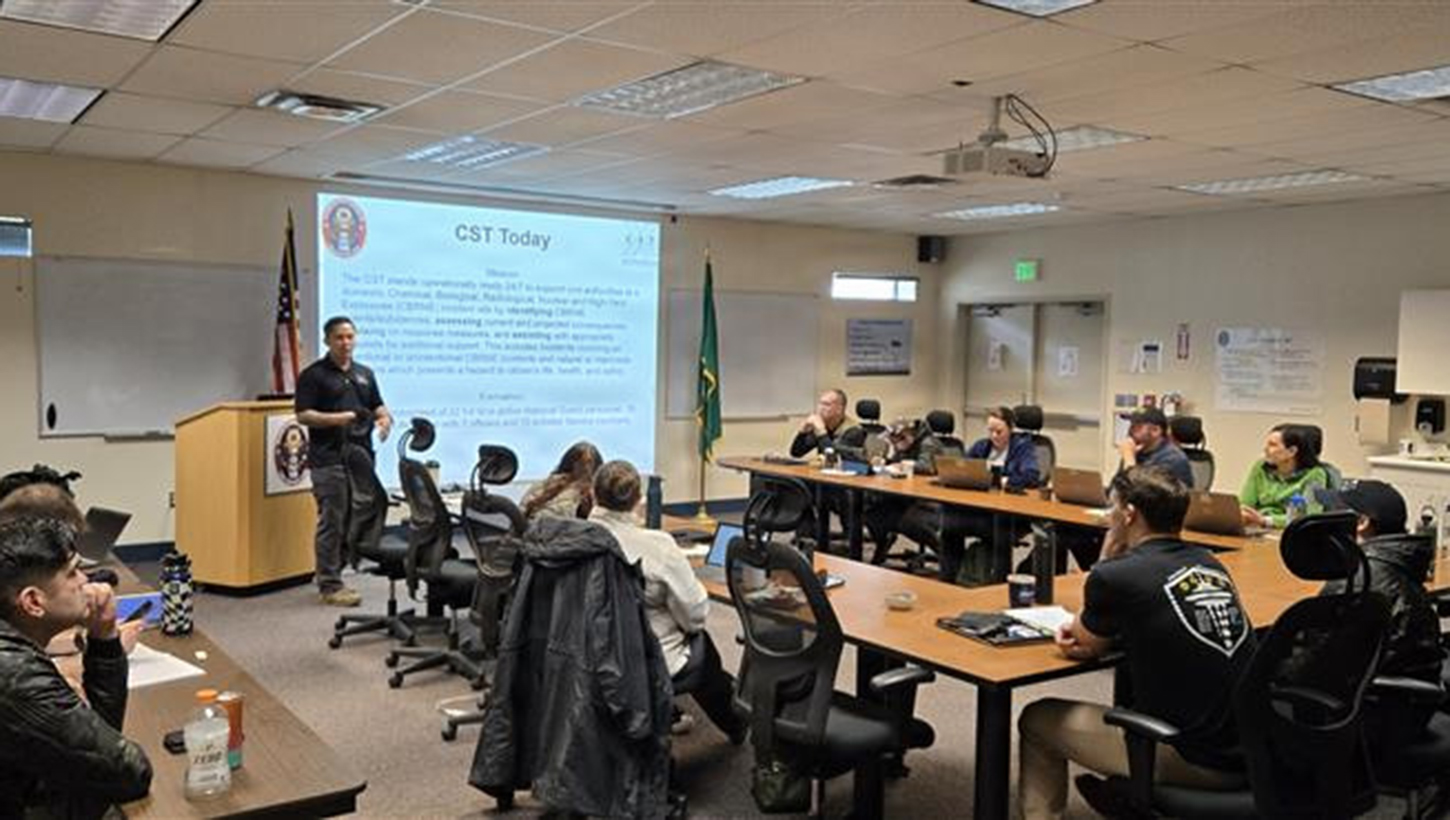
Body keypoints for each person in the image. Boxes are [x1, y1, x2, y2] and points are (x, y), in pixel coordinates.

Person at [1018, 467, 1252, 820]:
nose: (1108, 516)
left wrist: (1107, 555)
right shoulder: (1209, 562)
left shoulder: (1116, 575)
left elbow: (1084, 641)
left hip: (1194, 757)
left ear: (1128, 514)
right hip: (1249, 748)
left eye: (1112, 508)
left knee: (1037, 719)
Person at [0, 517, 153, 818]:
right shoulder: (15, 676)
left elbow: (97, 757)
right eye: (73, 572)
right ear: (33, 601)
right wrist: (106, 638)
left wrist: (103, 636)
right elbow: (126, 772)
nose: (87, 580)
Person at [588, 460, 746, 744]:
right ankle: (736, 725)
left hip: (588, 655)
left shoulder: (575, 538)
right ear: (640, 500)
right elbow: (695, 616)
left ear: (592, 495)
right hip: (645, 660)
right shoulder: (658, 546)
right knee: (702, 646)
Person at [1319, 480, 1443, 742]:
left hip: (1371, 715)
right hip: (1408, 707)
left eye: (1334, 512)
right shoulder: (1398, 562)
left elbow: (1315, 662)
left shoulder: (1357, 578)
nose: (1323, 519)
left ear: (1361, 523)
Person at [295, 316, 393, 607]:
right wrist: (341, 418)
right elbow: (303, 415)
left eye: (350, 337)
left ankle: (339, 571)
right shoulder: (314, 375)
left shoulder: (365, 373)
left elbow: (377, 405)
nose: (346, 342)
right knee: (333, 521)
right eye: (339, 337)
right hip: (329, 459)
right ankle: (329, 584)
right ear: (327, 340)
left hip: (362, 459)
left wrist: (385, 418)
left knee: (356, 519)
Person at [939, 406, 1041, 585]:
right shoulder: (982, 446)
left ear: (1011, 429)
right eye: (991, 431)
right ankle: (950, 579)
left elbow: (1031, 476)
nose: (994, 436)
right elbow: (963, 467)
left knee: (998, 528)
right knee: (949, 524)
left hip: (1010, 512)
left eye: (999, 431)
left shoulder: (1023, 447)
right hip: (981, 508)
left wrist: (1003, 480)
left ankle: (997, 582)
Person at [1239, 423, 1330, 528]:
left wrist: (1266, 521)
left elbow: (1310, 516)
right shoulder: (1260, 467)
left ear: (1292, 451)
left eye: (1272, 445)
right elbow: (1245, 504)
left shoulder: (1315, 474)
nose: (1265, 449)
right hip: (1257, 528)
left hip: (1291, 532)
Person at [521, 441, 602, 521]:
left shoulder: (597, 494)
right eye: (579, 462)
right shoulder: (545, 484)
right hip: (534, 528)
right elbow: (523, 510)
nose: (585, 468)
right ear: (570, 462)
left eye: (589, 463)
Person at [1116, 407, 1193, 489]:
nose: (1130, 431)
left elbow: (1140, 494)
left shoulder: (1173, 458)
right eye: (1131, 426)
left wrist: (1129, 457)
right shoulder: (1136, 452)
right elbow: (1117, 487)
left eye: (1137, 427)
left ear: (1155, 431)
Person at [789, 388, 866, 460]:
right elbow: (796, 453)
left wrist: (821, 432)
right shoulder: (824, 425)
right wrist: (802, 432)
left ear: (839, 409)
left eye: (826, 404)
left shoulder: (854, 431)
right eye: (820, 404)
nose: (821, 408)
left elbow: (835, 458)